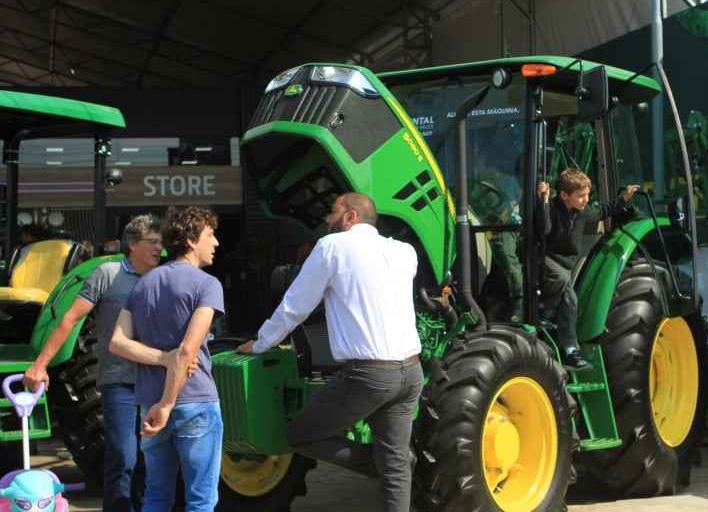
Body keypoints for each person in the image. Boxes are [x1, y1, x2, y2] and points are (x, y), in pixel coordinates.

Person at [236, 192, 423, 512]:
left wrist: (261, 342)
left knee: (300, 436)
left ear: (350, 217)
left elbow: (295, 306)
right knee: (396, 470)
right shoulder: (404, 251)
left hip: (368, 375)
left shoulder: (332, 246)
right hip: (411, 373)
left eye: (331, 212)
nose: (326, 218)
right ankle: (391, 461)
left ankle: (382, 460)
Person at [22, 214, 164, 512]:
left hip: (155, 383)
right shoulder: (107, 273)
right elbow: (70, 319)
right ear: (132, 244)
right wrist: (40, 364)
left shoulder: (163, 277)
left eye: (160, 242)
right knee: (122, 459)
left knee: (149, 463)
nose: (158, 248)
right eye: (152, 241)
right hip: (119, 382)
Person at [109, 206, 225, 512]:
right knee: (200, 501)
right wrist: (168, 403)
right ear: (191, 240)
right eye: (210, 235)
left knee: (156, 498)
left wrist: (162, 362)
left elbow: (117, 343)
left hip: (149, 404)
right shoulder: (207, 284)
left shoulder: (142, 284)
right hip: (193, 401)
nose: (216, 243)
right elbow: (187, 351)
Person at [538, 168, 639, 371]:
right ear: (564, 195)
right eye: (581, 196)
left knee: (571, 300)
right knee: (559, 277)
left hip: (565, 264)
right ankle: (542, 313)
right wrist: (544, 201)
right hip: (545, 258)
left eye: (587, 195)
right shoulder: (552, 208)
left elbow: (603, 211)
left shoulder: (583, 212)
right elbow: (544, 229)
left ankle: (570, 351)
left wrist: (624, 198)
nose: (586, 200)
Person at [469, 149, 524, 321]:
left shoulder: (508, 181)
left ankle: (520, 301)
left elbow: (511, 204)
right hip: (482, 227)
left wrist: (495, 221)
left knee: (507, 258)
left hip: (505, 227)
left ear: (491, 166)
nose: (476, 168)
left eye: (479, 165)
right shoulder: (478, 184)